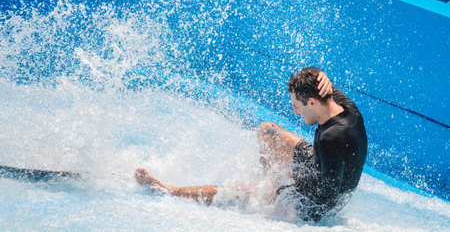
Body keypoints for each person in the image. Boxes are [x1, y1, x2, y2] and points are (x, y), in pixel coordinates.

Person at [135, 67, 367, 222]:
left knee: (239, 191)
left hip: (311, 205)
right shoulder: (347, 109)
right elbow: (319, 80)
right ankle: (270, 183)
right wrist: (320, 72)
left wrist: (287, 184)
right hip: (318, 164)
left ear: (313, 102)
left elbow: (328, 197)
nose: (295, 112)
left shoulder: (330, 139)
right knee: (267, 130)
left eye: (297, 106)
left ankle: (169, 190)